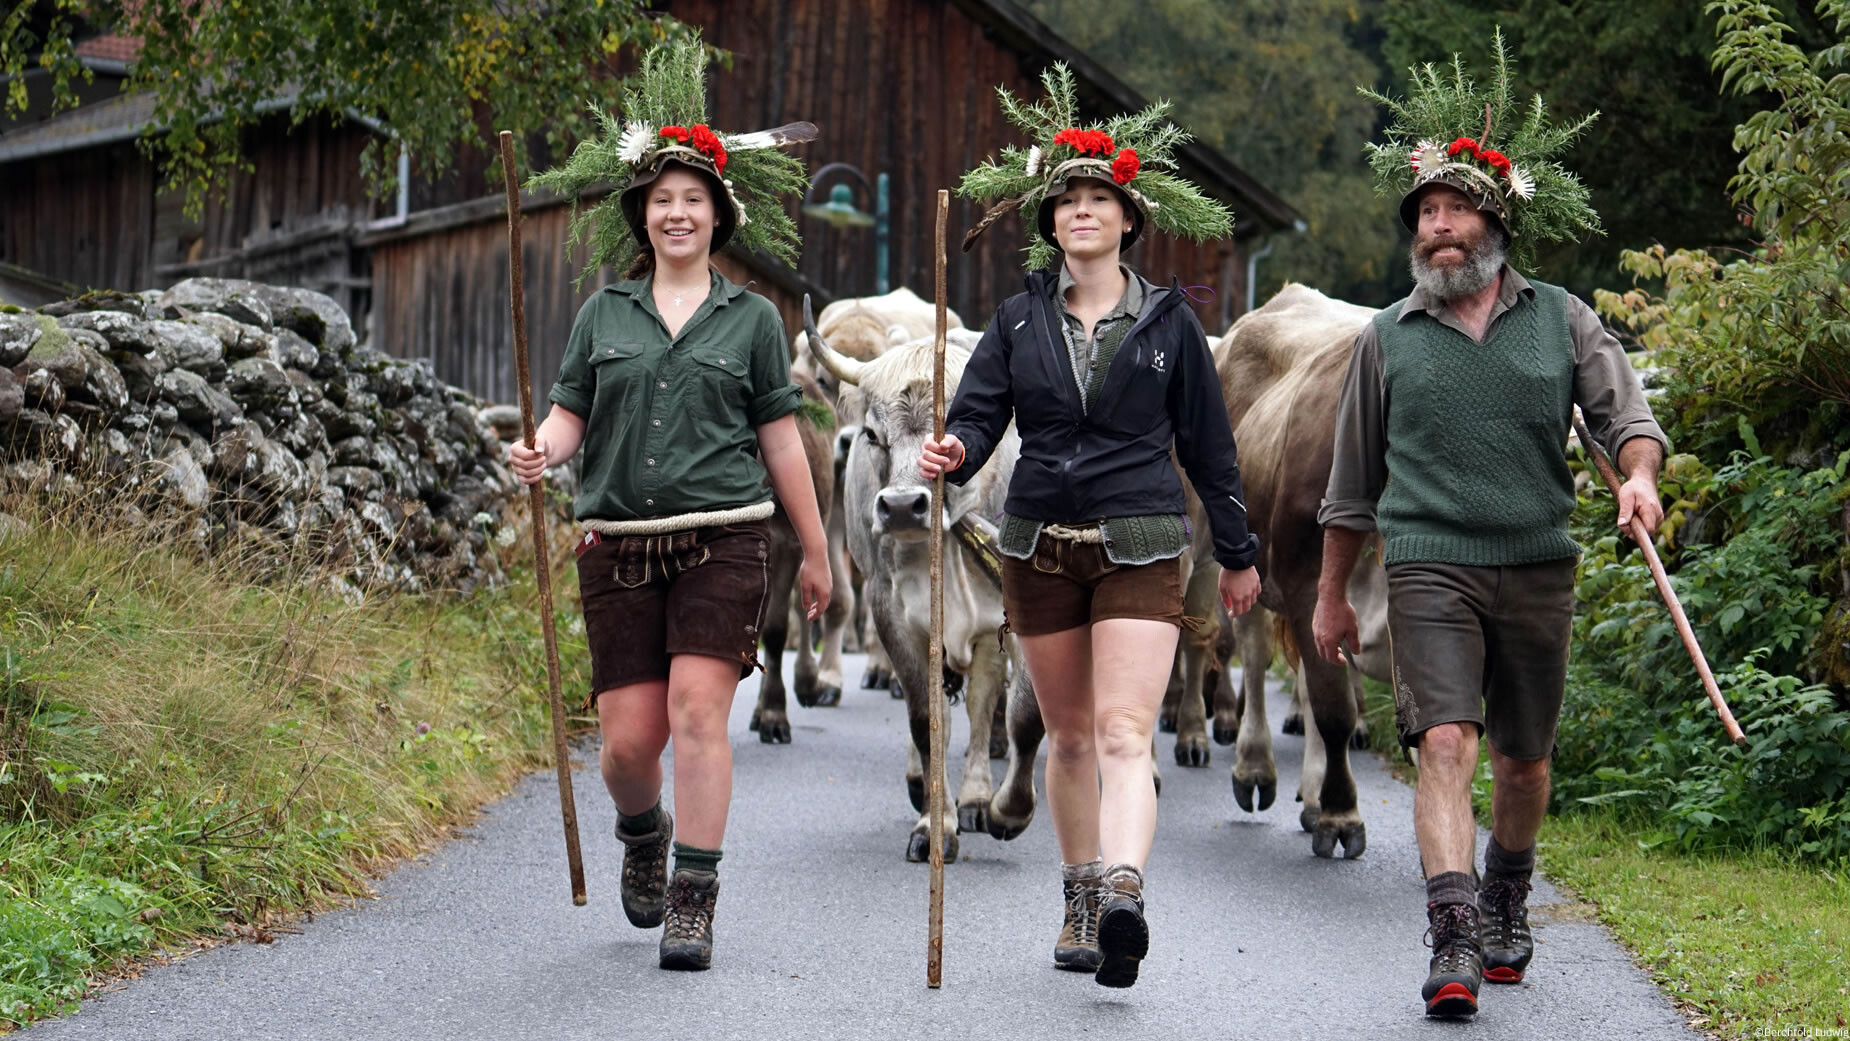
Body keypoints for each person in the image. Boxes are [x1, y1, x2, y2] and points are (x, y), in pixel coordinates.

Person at [1317, 50, 1668, 1018]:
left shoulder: (1559, 319)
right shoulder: (1385, 337)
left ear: (1493, 223)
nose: (1435, 226)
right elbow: (1350, 484)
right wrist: (1330, 594)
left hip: (1536, 565)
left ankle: (1508, 896)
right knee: (1443, 742)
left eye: (1453, 210)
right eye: (1423, 213)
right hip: (1428, 561)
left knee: (1523, 761)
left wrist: (1636, 478)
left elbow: (1624, 421)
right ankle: (1452, 936)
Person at [921, 65, 1261, 989]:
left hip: (1142, 542)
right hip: (1038, 546)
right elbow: (980, 414)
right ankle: (1078, 893)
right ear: (1051, 223)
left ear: (1126, 219)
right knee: (1067, 736)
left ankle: (1122, 888)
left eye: (1096, 200)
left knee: (1122, 730)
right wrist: (955, 448)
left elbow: (1210, 445)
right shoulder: (1016, 319)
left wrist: (1237, 552)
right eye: (1066, 201)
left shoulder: (1169, 324)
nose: (1080, 213)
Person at [509, 38, 826, 972]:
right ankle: (643, 829)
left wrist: (816, 549)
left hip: (725, 538)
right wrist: (541, 449)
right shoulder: (603, 313)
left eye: (693, 199)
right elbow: (569, 416)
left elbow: (779, 442)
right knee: (625, 745)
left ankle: (695, 893)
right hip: (617, 542)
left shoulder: (755, 319)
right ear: (641, 217)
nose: (677, 213)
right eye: (662, 200)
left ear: (717, 215)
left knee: (698, 712)